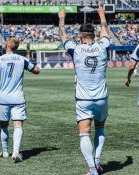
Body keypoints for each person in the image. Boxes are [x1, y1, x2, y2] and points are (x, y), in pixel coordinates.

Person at [59, 5, 109, 175]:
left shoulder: (76, 49)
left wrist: (62, 18)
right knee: (100, 127)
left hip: (83, 99)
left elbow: (63, 35)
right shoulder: (103, 46)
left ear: (80, 36)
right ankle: (97, 162)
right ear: (94, 36)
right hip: (102, 97)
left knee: (84, 133)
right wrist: (102, 15)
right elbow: (105, 32)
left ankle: (92, 170)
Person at [0, 38, 40, 162]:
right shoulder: (22, 59)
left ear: (8, 46)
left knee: (4, 125)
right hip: (18, 98)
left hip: (3, 98)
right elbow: (36, 70)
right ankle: (15, 152)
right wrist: (36, 66)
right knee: (18, 124)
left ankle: (4, 151)